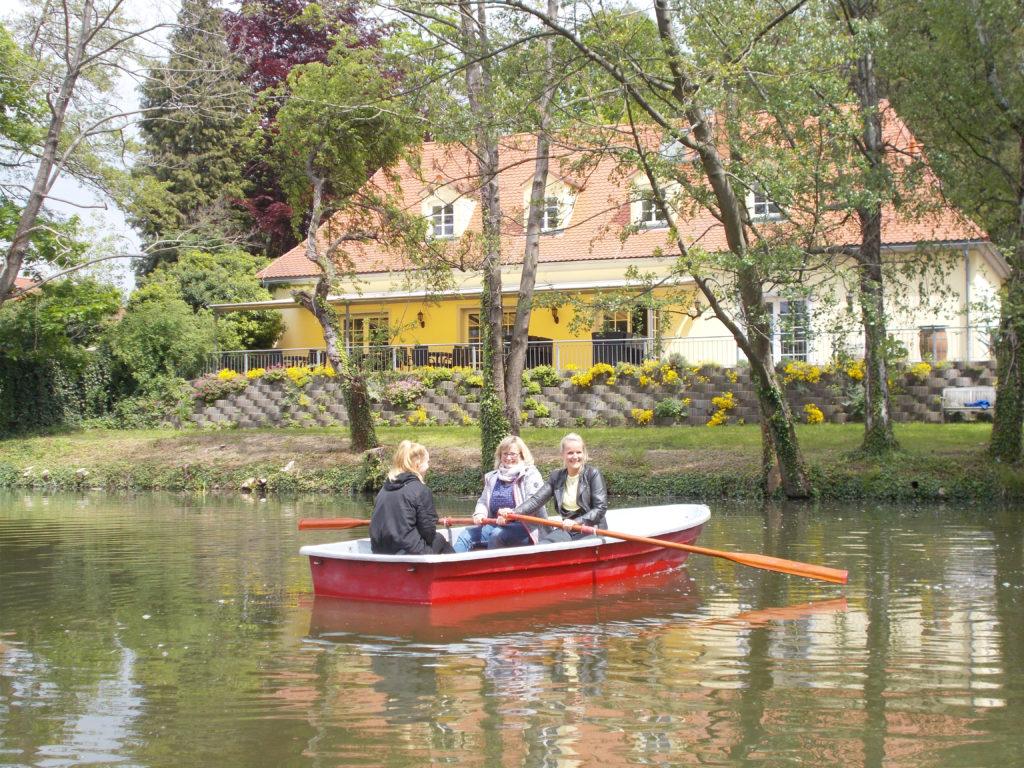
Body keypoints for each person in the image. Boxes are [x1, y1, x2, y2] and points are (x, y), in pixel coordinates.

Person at [505, 432, 607, 544]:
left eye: (578, 452)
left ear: (584, 453)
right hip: (566, 528)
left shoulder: (593, 474)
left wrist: (577, 522)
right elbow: (536, 500)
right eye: (570, 453)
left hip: (591, 528)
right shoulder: (556, 476)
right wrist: (513, 513)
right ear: (562, 454)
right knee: (543, 546)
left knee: (580, 550)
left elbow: (600, 508)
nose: (575, 457)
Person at [453, 435, 546, 552]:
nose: (508, 458)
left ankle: (491, 569)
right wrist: (480, 514)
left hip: (526, 527)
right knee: (465, 535)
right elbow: (483, 501)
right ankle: (452, 568)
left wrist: (511, 514)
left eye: (513, 454)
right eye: (505, 454)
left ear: (522, 455)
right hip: (497, 523)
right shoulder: (493, 477)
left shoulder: (531, 474)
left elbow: (533, 502)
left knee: (497, 535)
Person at [370, 440, 454, 555]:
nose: (428, 466)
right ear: (418, 464)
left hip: (380, 552)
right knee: (439, 539)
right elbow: (428, 533)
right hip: (409, 553)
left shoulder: (383, 490)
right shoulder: (420, 490)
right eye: (427, 462)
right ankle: (460, 570)